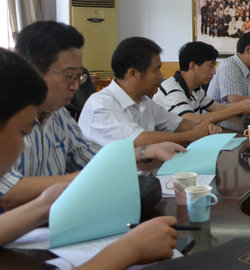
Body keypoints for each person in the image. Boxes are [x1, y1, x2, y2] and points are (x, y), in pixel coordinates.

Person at [0, 48, 178, 270]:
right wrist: (128, 249)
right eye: (22, 132)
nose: (23, 147)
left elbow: (93, 157)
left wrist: (43, 206)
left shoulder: (58, 116)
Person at [0, 22, 184, 212]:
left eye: (79, 77)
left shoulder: (58, 115)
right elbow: (8, 194)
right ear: (32, 70)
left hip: (51, 218)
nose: (75, 86)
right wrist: (90, 177)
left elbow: (90, 157)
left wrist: (148, 152)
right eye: (68, 75)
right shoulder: (6, 117)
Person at [79, 37, 222, 147]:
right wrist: (191, 135)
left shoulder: (144, 101)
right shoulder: (101, 104)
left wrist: (201, 127)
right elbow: (140, 140)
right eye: (156, 70)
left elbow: (176, 123)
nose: (161, 75)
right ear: (133, 74)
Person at [153, 41, 250, 124]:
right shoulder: (172, 89)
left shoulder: (196, 89)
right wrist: (238, 108)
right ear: (192, 66)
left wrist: (244, 105)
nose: (214, 72)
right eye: (210, 66)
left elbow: (219, 108)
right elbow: (190, 120)